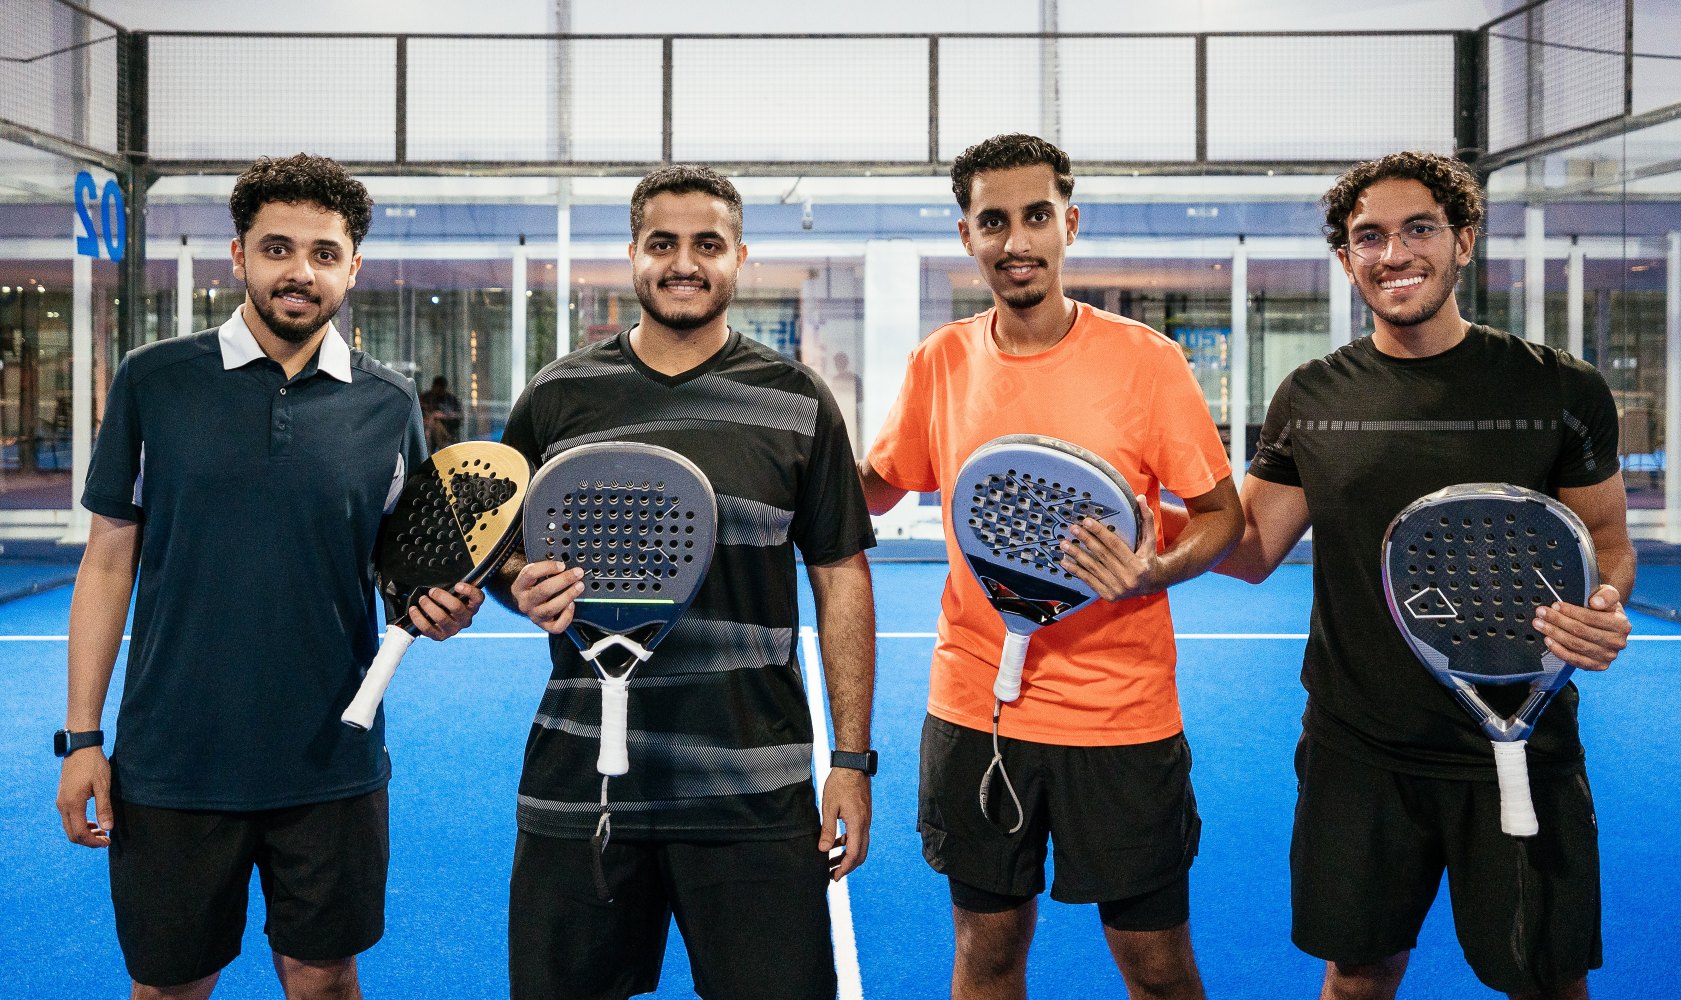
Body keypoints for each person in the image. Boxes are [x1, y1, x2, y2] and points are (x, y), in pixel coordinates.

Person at [54, 153, 483, 1000]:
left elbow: (402, 575)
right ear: (238, 255)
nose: (301, 271)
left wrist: (441, 609)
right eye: (278, 248)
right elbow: (107, 560)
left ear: (352, 267)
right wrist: (81, 737)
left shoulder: (390, 406)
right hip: (174, 759)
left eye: (325, 253)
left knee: (323, 978)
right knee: (171, 986)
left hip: (332, 760)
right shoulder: (154, 381)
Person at [1213, 150, 1634, 1000]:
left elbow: (1605, 541)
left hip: (1521, 738)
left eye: (1418, 230)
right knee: (1357, 977)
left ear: (1463, 241)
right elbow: (1250, 550)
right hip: (1356, 748)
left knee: (1545, 982)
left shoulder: (1559, 388)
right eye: (1368, 236)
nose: (1393, 253)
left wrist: (1605, 604)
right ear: (1345, 258)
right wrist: (1167, 488)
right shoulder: (1311, 397)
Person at [859, 133, 1243, 1000]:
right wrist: (774, 462)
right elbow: (873, 490)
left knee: (1156, 970)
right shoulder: (939, 362)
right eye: (992, 221)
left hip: (1120, 717)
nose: (1015, 240)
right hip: (973, 710)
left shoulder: (1146, 362)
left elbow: (1222, 517)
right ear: (967, 236)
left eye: (1036, 216)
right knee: (986, 957)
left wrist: (1153, 571)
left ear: (1067, 224)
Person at [494, 164, 878, 1000]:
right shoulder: (559, 396)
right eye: (661, 243)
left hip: (752, 786)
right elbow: (501, 551)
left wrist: (851, 759)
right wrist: (519, 583)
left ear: (739, 256)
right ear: (632, 254)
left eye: (707, 244)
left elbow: (841, 573)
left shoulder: (798, 400)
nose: (683, 263)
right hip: (582, 779)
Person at [419, 374, 463, 451]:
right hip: (427, 428)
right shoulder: (425, 397)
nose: (438, 391)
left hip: (446, 429)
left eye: (440, 389)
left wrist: (443, 415)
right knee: (435, 424)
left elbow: (459, 415)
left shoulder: (450, 399)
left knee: (436, 425)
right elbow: (419, 414)